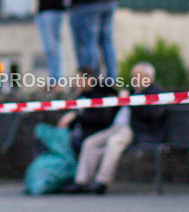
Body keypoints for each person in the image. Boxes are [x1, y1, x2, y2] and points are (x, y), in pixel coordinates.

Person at [63, 62, 166, 194]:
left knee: (114, 142)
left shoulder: (155, 92)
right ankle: (82, 182)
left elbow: (151, 115)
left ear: (149, 77)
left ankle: (102, 182)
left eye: (137, 76)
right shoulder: (131, 91)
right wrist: (117, 100)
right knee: (91, 142)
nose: (134, 79)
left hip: (134, 130)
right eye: (133, 76)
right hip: (115, 127)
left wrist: (130, 102)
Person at [56, 67, 119, 155]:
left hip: (94, 134)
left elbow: (101, 119)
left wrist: (76, 116)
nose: (76, 84)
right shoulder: (82, 95)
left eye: (79, 81)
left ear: (89, 79)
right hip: (79, 133)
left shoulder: (102, 93)